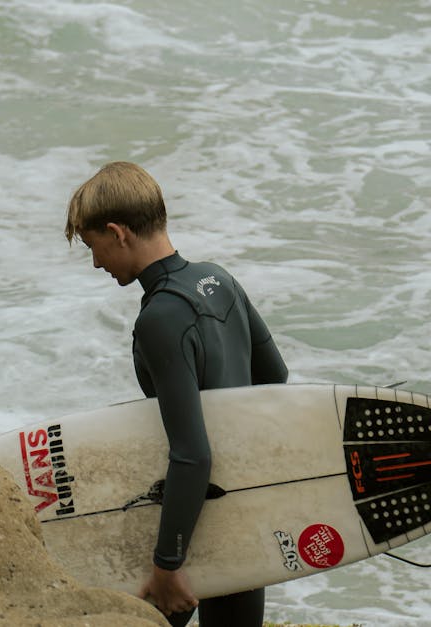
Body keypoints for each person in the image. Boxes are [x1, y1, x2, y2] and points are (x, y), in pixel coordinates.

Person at [63, 161, 289, 626]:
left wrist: (167, 564)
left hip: (192, 521)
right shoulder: (218, 280)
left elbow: (191, 455)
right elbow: (275, 379)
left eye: (93, 246)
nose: (95, 262)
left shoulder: (162, 318)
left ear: (117, 232)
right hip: (242, 509)